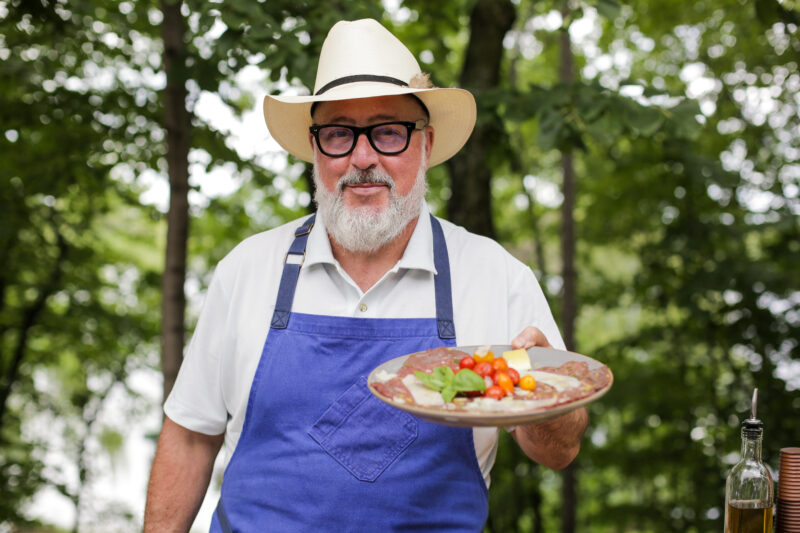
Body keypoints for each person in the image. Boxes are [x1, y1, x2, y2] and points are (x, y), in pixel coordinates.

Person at [144, 18, 588, 533]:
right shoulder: (248, 269)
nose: (362, 158)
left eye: (388, 132)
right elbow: (191, 436)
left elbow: (560, 451)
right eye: (338, 133)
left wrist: (539, 395)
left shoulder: (495, 276)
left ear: (425, 145)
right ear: (315, 149)